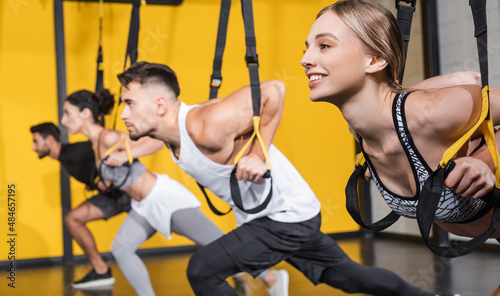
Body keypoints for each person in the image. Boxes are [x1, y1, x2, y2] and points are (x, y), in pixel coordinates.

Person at [113, 61, 457, 296]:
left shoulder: (206, 125)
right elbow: (149, 142)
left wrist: (257, 156)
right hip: (282, 215)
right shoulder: (170, 130)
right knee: (346, 276)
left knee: (202, 270)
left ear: (159, 105)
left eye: (129, 103)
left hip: (285, 217)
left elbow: (274, 90)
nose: (123, 113)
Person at [300, 0, 500, 295]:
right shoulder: (363, 131)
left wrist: (485, 160)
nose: (305, 59)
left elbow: (467, 86)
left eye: (324, 46)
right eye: (306, 47)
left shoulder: (429, 114)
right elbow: (464, 81)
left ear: (375, 60)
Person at [60, 89, 282, 296]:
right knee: (121, 248)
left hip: (164, 198)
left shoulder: (108, 137)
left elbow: (159, 140)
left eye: (67, 113)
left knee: (217, 243)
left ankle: (272, 278)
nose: (63, 121)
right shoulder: (95, 143)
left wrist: (127, 155)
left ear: (86, 113)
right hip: (144, 206)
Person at [30, 122, 130, 289]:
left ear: (48, 140)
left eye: (36, 141)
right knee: (72, 219)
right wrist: (94, 181)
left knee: (172, 223)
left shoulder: (74, 151)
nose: (33, 147)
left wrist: (107, 180)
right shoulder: (65, 158)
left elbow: (110, 146)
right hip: (112, 197)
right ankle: (101, 270)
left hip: (128, 192)